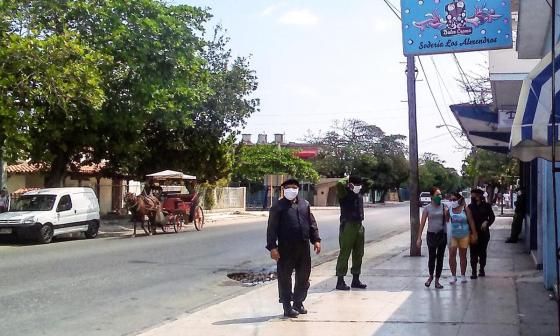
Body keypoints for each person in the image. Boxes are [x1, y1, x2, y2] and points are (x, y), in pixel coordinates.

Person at [266, 179, 321, 318]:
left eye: (294, 187)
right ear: (284, 189)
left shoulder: (305, 204)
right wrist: (273, 247)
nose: (292, 189)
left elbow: (312, 223)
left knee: (303, 276)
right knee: (285, 277)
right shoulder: (278, 207)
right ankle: (287, 306)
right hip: (286, 247)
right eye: (289, 187)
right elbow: (271, 229)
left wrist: (316, 240)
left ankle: (298, 302)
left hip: (303, 246)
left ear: (298, 189)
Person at [335, 175, 367, 290]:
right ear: (351, 184)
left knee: (359, 253)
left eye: (360, 184)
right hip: (348, 225)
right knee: (345, 253)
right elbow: (339, 183)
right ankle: (340, 280)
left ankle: (356, 279)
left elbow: (369, 182)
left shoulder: (359, 194)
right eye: (356, 184)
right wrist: (347, 179)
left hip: (359, 225)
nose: (359, 186)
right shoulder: (344, 193)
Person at [416, 187, 449, 289]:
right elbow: (422, 223)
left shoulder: (444, 206)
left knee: (440, 258)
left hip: (442, 235)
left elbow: (448, 221)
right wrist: (419, 237)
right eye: (437, 194)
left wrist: (446, 214)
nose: (439, 196)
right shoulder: (427, 208)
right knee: (432, 257)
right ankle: (430, 276)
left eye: (440, 194)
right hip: (431, 235)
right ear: (432, 196)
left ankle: (437, 280)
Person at [448, 192, 478, 284]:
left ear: (459, 200)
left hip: (464, 235)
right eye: (451, 200)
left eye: (454, 200)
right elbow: (446, 222)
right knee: (452, 254)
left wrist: (474, 234)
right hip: (452, 235)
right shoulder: (449, 210)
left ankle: (463, 275)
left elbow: (471, 222)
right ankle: (453, 276)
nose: (452, 201)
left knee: (463, 255)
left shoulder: (465, 209)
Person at [468, 188, 495, 279]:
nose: (472, 197)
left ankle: (482, 269)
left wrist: (487, 222)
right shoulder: (470, 207)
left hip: (484, 233)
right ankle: (474, 271)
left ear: (479, 196)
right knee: (473, 252)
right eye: (471, 195)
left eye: (474, 195)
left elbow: (492, 217)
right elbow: (467, 220)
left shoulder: (486, 206)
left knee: (482, 252)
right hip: (473, 233)